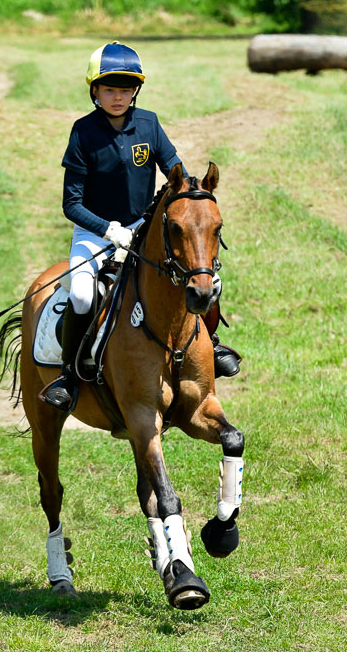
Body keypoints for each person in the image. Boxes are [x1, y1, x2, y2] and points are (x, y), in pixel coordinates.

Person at [41, 41, 240, 412]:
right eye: (110, 89)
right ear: (95, 91)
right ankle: (69, 374)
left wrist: (192, 199)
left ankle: (210, 344)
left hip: (143, 229)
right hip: (96, 232)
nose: (118, 97)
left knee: (206, 278)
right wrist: (109, 231)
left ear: (135, 91)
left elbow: (175, 173)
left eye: (125, 90)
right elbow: (71, 204)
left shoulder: (148, 123)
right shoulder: (83, 132)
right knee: (83, 294)